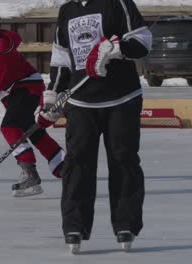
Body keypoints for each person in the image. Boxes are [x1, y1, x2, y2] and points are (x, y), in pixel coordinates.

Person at [36, 0, 152, 252]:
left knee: (123, 159)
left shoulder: (118, 3)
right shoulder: (67, 10)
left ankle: (126, 224)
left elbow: (143, 41)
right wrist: (53, 95)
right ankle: (74, 225)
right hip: (80, 101)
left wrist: (116, 48)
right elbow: (61, 58)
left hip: (121, 98)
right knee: (77, 162)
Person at [0, 6, 66, 197]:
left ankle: (29, 173)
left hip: (27, 86)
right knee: (30, 130)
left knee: (9, 127)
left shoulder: (0, 51)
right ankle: (63, 166)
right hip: (12, 90)